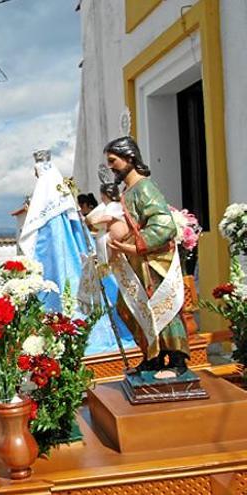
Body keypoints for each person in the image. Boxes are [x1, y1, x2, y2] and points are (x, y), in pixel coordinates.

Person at [104, 136, 190, 374]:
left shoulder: (144, 187)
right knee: (133, 308)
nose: (111, 166)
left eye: (113, 160)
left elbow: (163, 224)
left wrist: (134, 247)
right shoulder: (128, 191)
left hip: (154, 262)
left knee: (163, 308)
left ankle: (176, 361)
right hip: (136, 263)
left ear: (129, 158)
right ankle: (152, 357)